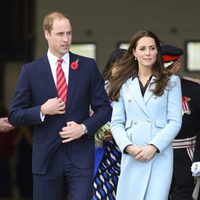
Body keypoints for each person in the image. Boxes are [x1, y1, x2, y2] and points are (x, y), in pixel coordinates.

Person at [8, 11, 112, 200]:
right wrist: (41, 110)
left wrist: (83, 128)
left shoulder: (87, 66)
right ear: (47, 34)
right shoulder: (31, 71)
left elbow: (105, 109)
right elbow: (15, 115)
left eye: (69, 33)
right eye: (60, 34)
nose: (66, 39)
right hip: (46, 158)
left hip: (80, 156)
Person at [109, 30, 182, 200]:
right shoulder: (123, 82)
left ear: (157, 51)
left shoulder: (171, 81)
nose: (148, 53)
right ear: (134, 52)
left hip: (158, 154)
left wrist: (154, 147)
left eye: (152, 48)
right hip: (132, 153)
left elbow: (175, 122)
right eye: (142, 48)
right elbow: (117, 122)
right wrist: (127, 147)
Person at [161, 44, 200, 200]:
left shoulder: (194, 89)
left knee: (183, 195)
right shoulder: (145, 89)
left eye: (168, 65)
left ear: (177, 65)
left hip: (185, 154)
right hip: (156, 153)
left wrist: (198, 156)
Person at [93, 49, 126, 200]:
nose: (120, 71)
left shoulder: (135, 91)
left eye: (126, 67)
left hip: (126, 151)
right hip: (104, 153)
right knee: (100, 194)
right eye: (117, 66)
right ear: (110, 67)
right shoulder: (99, 89)